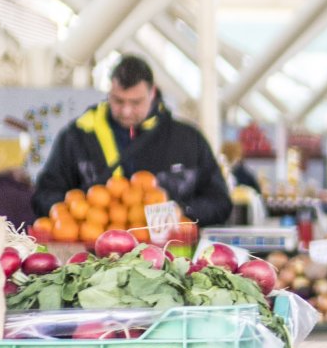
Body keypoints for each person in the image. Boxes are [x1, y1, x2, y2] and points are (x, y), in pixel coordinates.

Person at [32, 55, 231, 225]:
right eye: (118, 101)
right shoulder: (77, 137)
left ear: (153, 93)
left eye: (136, 102)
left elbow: (220, 203)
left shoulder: (188, 140)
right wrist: (78, 210)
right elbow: (43, 195)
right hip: (93, 258)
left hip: (168, 257)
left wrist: (181, 210)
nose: (126, 111)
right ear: (109, 93)